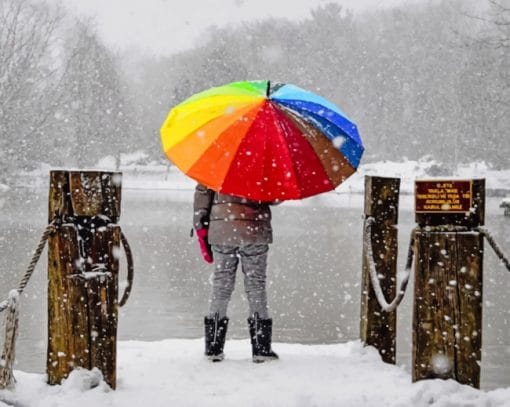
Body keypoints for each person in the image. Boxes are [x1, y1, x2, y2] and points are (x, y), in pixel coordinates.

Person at [193, 183, 279, 363]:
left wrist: (201, 225)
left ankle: (213, 347)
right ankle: (261, 348)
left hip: (222, 230)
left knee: (221, 287)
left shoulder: (216, 163)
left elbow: (202, 196)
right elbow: (274, 197)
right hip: (255, 230)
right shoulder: (264, 163)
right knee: (256, 286)